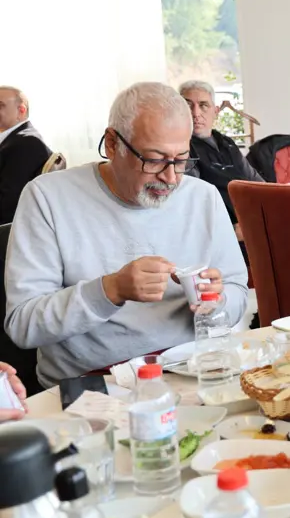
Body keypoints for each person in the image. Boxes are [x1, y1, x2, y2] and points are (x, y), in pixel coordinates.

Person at [4, 82, 249, 388]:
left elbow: (239, 293)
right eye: (155, 159)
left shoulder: (203, 197)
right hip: (92, 383)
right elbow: (23, 325)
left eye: (181, 159)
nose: (171, 177)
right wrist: (110, 290)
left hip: (189, 372)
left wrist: (217, 299)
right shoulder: (48, 197)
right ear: (111, 144)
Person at [179, 80, 263, 248]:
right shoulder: (181, 148)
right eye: (188, 106)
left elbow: (259, 185)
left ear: (215, 111)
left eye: (203, 105)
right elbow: (192, 200)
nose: (196, 113)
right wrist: (230, 231)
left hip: (249, 228)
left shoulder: (227, 144)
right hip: (219, 236)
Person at [0, 86, 52, 224]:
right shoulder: (18, 139)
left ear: (21, 110)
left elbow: (8, 205)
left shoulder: (25, 144)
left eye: (0, 105)